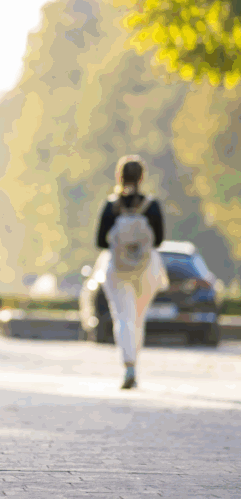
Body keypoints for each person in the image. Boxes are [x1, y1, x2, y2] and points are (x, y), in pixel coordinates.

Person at [94, 154, 168, 390]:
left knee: (123, 317)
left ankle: (129, 366)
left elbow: (100, 241)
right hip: (147, 268)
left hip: (117, 268)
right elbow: (159, 241)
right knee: (139, 318)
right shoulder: (151, 206)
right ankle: (134, 360)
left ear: (119, 176)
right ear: (142, 177)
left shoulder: (111, 205)